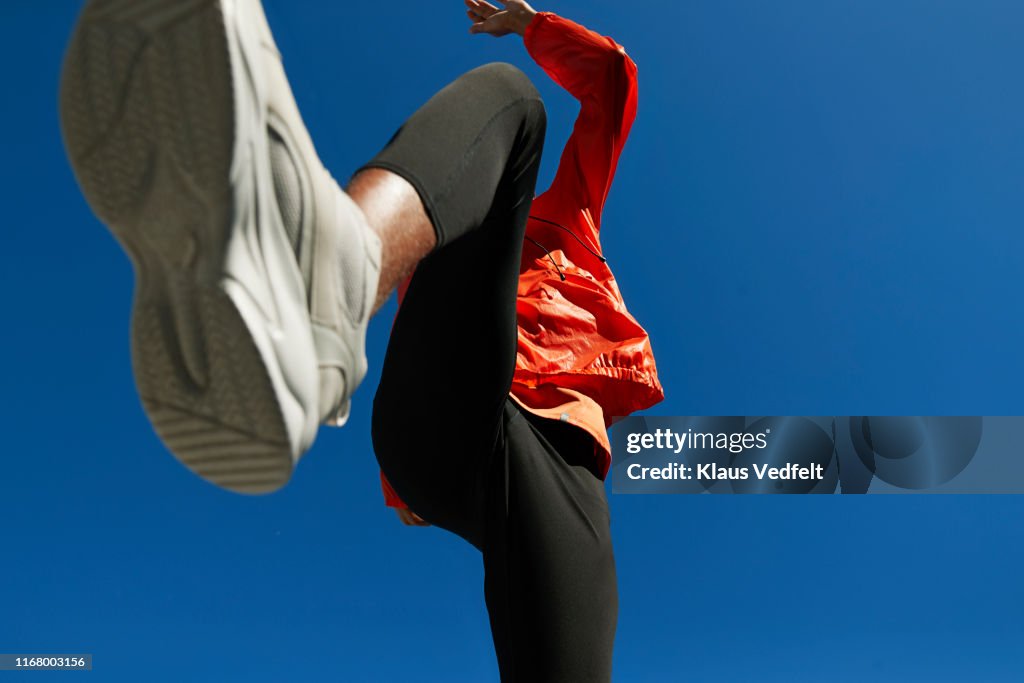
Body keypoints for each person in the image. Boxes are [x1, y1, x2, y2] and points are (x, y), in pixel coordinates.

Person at [59, 0, 661, 679]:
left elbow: (612, 79)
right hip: (454, 419)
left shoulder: (569, 215)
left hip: (560, 464)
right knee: (514, 99)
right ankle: (324, 272)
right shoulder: (437, 236)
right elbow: (430, 348)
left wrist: (529, 24)